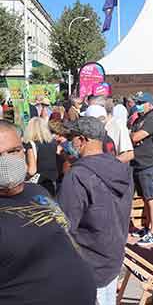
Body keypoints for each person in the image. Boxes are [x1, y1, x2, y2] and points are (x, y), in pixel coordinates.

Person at [0, 120, 96, 305]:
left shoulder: (37, 191)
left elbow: (65, 238)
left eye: (13, 151)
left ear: (24, 150)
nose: (7, 161)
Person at [56, 117, 132, 305]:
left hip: (87, 263)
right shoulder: (120, 168)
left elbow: (63, 227)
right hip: (112, 255)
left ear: (82, 140)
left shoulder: (78, 176)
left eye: (72, 137)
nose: (69, 142)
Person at [130, 92, 153, 246]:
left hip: (149, 165)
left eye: (142, 102)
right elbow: (132, 135)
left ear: (150, 104)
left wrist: (133, 137)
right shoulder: (139, 119)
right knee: (145, 198)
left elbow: (134, 137)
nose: (138, 104)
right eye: (137, 101)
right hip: (137, 163)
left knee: (152, 198)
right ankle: (147, 227)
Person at [23, 117, 59, 196]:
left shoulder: (30, 144)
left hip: (38, 183)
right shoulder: (53, 142)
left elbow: (32, 170)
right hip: (52, 181)